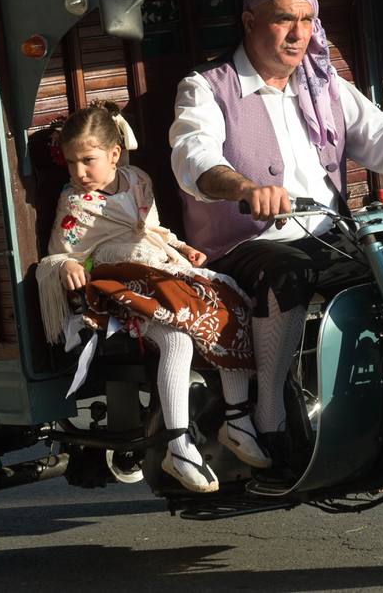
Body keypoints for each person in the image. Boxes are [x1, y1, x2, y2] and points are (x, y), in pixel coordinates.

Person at [169, 0, 383, 490]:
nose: (298, 34)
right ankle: (269, 422)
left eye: (307, 21)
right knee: (286, 272)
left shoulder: (323, 83)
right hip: (245, 242)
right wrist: (242, 186)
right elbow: (194, 154)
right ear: (250, 23)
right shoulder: (207, 87)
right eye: (283, 20)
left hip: (327, 233)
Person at [36, 103, 263, 493]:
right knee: (174, 337)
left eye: (88, 161)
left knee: (227, 305)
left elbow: (154, 230)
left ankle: (238, 419)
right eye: (72, 163)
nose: (78, 173)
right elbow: (60, 252)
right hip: (119, 284)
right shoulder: (74, 202)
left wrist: (181, 247)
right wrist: (64, 266)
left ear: (114, 154)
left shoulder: (138, 180)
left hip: (158, 267)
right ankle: (178, 446)